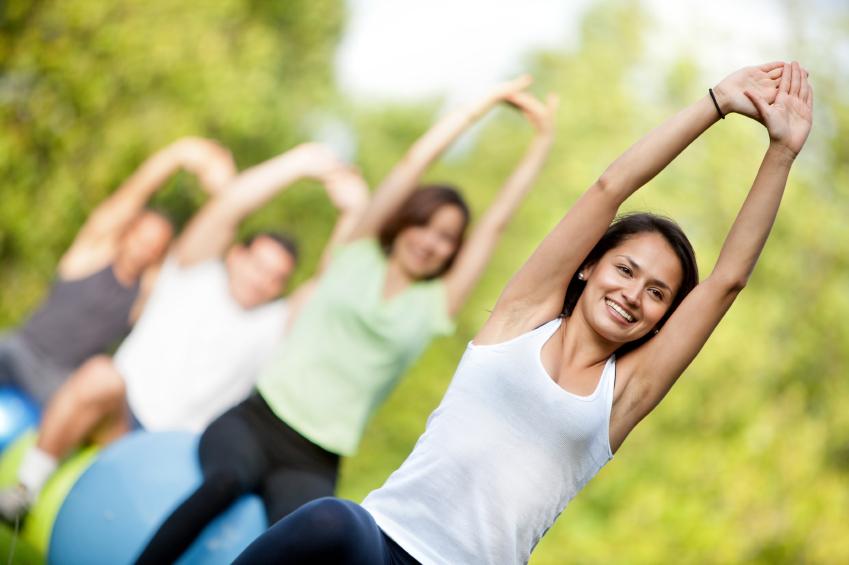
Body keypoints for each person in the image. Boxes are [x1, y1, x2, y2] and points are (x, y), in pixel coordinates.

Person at [232, 61, 814, 565]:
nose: (635, 294)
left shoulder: (624, 393)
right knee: (335, 519)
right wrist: (714, 104)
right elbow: (609, 188)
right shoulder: (521, 317)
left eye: (658, 293)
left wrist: (782, 152)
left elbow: (725, 283)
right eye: (626, 270)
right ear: (588, 266)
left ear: (663, 320)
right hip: (378, 543)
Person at [134, 79, 558, 564]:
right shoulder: (357, 250)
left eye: (447, 238)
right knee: (224, 483)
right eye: (425, 224)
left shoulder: (434, 305)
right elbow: (410, 164)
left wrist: (541, 144)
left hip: (314, 459)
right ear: (404, 222)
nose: (431, 241)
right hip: (255, 420)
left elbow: (495, 226)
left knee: (316, 544)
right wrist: (476, 109)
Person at [0, 143, 366, 522]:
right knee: (99, 374)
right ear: (236, 255)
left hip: (175, 457)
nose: (262, 280)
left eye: (276, 279)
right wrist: (297, 163)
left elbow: (332, 278)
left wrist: (354, 212)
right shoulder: (192, 272)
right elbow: (230, 206)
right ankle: (24, 490)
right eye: (258, 265)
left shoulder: (275, 324)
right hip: (118, 418)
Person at [0, 137, 234, 406]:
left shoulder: (146, 291)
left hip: (58, 380)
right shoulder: (92, 255)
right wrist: (178, 154)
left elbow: (205, 243)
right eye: (141, 238)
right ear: (125, 233)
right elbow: (134, 192)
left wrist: (225, 190)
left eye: (154, 246)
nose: (144, 248)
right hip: (19, 349)